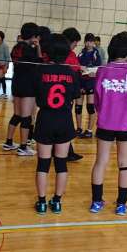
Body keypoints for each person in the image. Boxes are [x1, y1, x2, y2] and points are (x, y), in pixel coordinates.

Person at [90, 34, 127, 215]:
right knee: (124, 163)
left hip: (105, 122)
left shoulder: (102, 70)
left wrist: (104, 111)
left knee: (101, 161)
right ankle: (121, 204)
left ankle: (96, 202)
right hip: (126, 125)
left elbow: (97, 97)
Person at [33, 34, 81, 214]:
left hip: (45, 119)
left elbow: (36, 95)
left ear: (48, 51)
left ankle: (42, 202)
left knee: (43, 164)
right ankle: (57, 201)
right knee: (61, 164)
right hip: (64, 120)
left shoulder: (40, 70)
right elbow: (75, 95)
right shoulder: (71, 72)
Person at [3, 22, 41, 156]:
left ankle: (8, 142)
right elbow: (39, 63)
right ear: (33, 36)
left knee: (17, 115)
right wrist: (38, 47)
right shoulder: (30, 49)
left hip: (16, 84)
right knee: (26, 118)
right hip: (27, 86)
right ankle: (23, 147)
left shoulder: (16, 47)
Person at [63, 27, 84, 162]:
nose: (76, 45)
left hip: (64, 93)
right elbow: (73, 72)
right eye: (76, 42)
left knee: (64, 122)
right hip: (66, 93)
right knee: (65, 122)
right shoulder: (68, 54)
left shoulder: (67, 53)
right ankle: (65, 152)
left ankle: (67, 151)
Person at [77, 33, 101, 138]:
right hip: (81, 82)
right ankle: (78, 128)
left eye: (91, 42)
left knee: (90, 107)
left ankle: (89, 130)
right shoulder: (81, 53)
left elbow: (99, 69)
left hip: (91, 83)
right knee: (78, 107)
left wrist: (94, 73)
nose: (88, 44)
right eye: (87, 41)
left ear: (94, 42)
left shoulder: (96, 54)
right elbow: (77, 66)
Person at [0, 31, 10, 98]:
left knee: (1, 78)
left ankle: (2, 93)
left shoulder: (5, 46)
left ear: (1, 37)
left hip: (3, 65)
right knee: (0, 79)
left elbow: (8, 57)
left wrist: (6, 66)